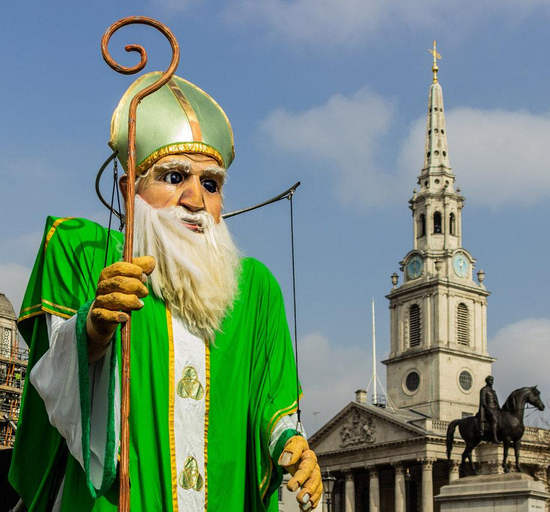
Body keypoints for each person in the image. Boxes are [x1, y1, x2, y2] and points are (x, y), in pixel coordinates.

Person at [10, 72, 321, 511]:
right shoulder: (81, 250)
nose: (195, 199)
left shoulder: (255, 287)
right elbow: (51, 382)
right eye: (174, 177)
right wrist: (93, 329)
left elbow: (272, 404)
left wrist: (292, 445)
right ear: (129, 190)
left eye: (210, 184)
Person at [478, 375, 501, 443]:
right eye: (490, 380)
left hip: (495, 409)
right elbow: (483, 402)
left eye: (492, 380)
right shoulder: (484, 390)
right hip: (488, 409)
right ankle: (494, 437)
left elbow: (496, 401)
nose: (491, 382)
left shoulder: (493, 391)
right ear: (487, 381)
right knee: (494, 419)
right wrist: (488, 410)